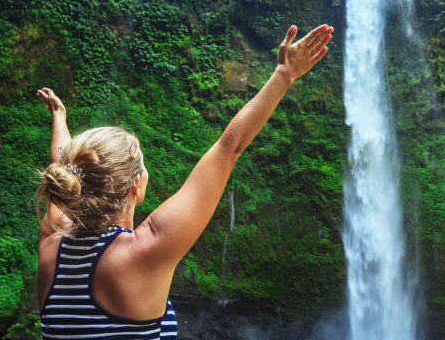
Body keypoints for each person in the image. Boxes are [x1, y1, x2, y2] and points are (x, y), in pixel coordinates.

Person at [35, 24, 333, 339]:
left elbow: (64, 165)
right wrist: (284, 74)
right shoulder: (142, 253)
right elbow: (228, 148)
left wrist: (59, 119)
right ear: (137, 187)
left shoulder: (51, 245)